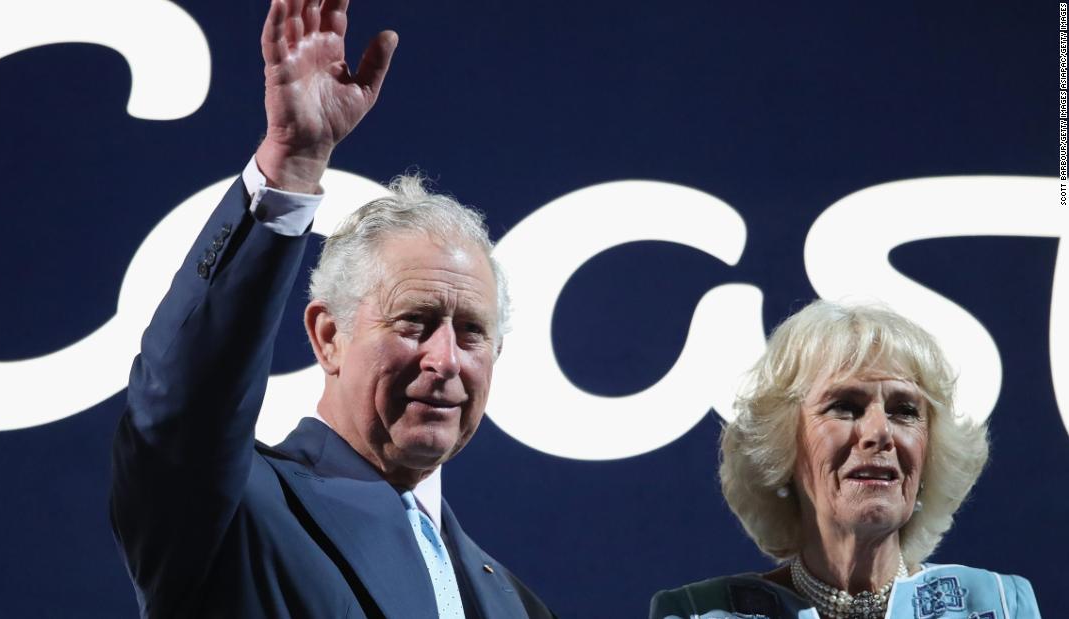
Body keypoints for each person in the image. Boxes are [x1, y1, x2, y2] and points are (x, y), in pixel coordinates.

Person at [110, 1, 554, 617]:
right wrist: (290, 167)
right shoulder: (237, 511)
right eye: (414, 322)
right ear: (327, 336)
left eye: (472, 332)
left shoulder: (514, 601)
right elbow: (181, 406)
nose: (445, 359)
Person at [650, 301, 1041, 619]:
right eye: (844, 406)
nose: (880, 432)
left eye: (904, 410)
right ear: (783, 445)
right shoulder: (697, 614)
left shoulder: (1000, 605)